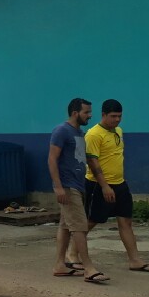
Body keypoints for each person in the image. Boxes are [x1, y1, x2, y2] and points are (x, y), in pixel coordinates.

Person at [80, 100, 149, 273]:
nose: (116, 120)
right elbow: (92, 162)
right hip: (98, 185)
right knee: (91, 221)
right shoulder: (93, 135)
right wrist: (104, 187)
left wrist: (115, 184)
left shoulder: (118, 131)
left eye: (119, 116)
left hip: (120, 184)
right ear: (103, 115)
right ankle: (72, 254)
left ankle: (135, 260)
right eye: (113, 116)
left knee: (126, 221)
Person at [48, 98, 107, 283]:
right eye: (86, 112)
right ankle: (89, 268)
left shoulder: (79, 133)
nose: (90, 116)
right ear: (75, 113)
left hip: (78, 185)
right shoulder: (61, 131)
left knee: (65, 227)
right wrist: (58, 187)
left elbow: (85, 159)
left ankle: (60, 265)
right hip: (68, 186)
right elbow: (52, 159)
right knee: (80, 227)